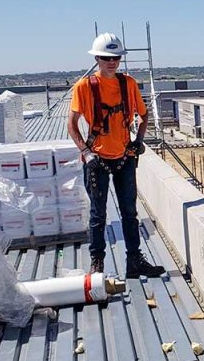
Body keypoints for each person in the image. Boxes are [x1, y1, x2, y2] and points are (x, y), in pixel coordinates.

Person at [67, 33, 166, 278]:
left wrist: (137, 142)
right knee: (98, 214)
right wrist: (86, 151)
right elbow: (72, 124)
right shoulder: (85, 87)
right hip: (97, 160)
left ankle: (134, 261)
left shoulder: (128, 84)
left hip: (123, 157)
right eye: (106, 58)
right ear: (97, 59)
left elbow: (144, 116)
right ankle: (97, 263)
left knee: (129, 212)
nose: (112, 62)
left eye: (116, 58)